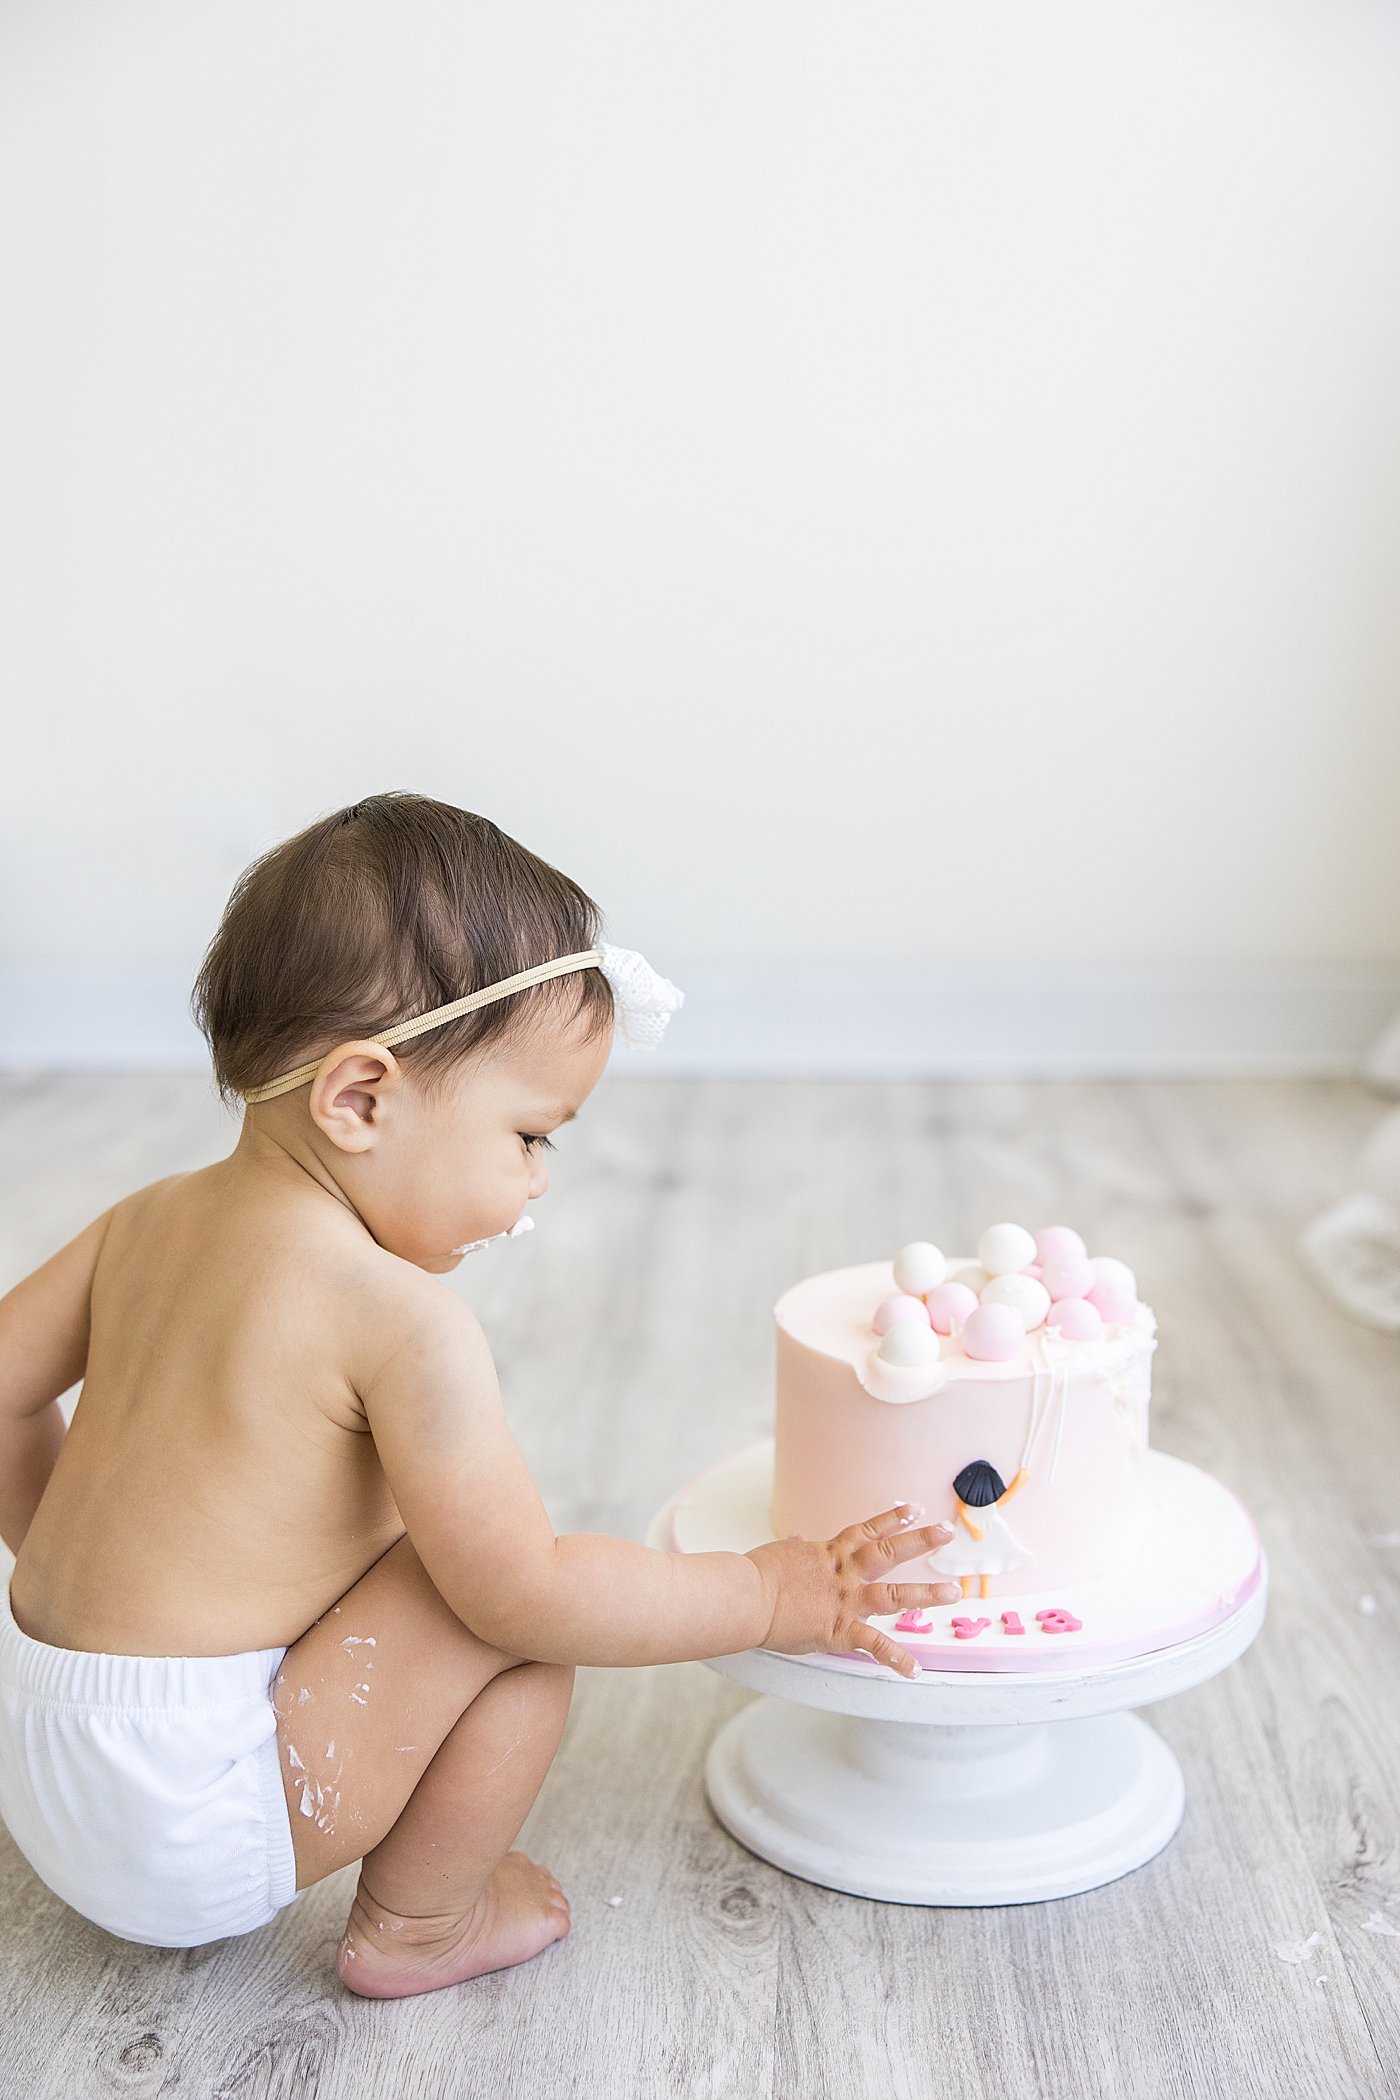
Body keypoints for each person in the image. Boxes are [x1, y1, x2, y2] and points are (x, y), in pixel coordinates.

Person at [0, 792, 958, 1998]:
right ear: (359, 1100)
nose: (538, 1182)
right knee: (494, 1620)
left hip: (36, 1753)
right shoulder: (400, 1319)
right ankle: (419, 1925)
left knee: (401, 1557)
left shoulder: (140, 1223)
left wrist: (69, 1562)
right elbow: (525, 1597)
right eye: (529, 1135)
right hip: (191, 1817)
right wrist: (766, 1591)